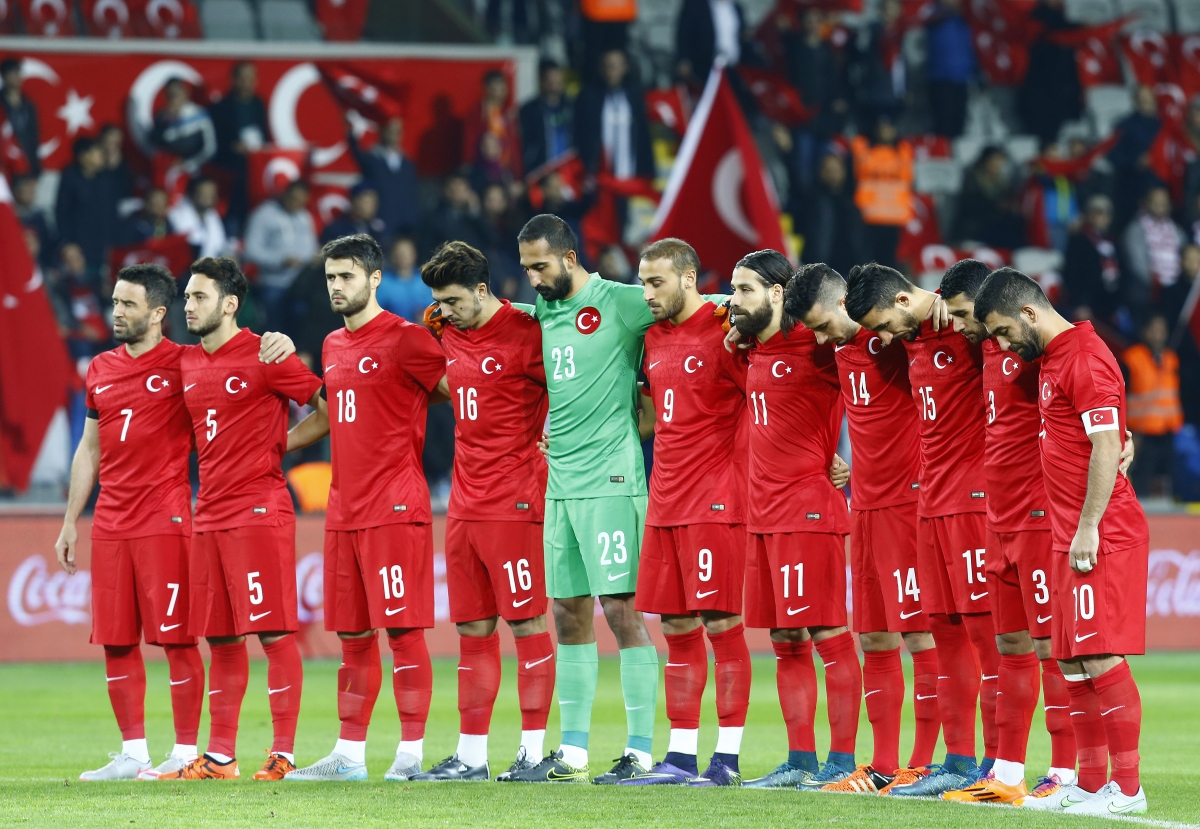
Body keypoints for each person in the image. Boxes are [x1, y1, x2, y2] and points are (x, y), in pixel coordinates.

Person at [54, 263, 295, 782]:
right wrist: (71, 519)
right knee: (116, 640)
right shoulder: (99, 369)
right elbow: (88, 449)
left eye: (127, 305)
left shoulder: (188, 362)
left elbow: (238, 361)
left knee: (178, 638)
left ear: (158, 313)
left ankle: (187, 750)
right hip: (110, 522)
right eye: (114, 302)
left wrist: (276, 340)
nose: (115, 312)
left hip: (168, 519)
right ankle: (133, 752)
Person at [973, 268, 1150, 816]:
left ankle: (1128, 789)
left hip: (1100, 531)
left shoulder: (1085, 357)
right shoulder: (1051, 358)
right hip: (1065, 531)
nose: (1001, 346)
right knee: (1070, 660)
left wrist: (1089, 525)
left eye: (1002, 331)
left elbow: (1105, 445)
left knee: (1099, 655)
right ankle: (1090, 783)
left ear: (1028, 312)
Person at [281, 235, 448, 782]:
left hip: (395, 507)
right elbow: (333, 415)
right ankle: (349, 756)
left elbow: (458, 390)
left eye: (346, 276)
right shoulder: (332, 345)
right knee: (352, 637)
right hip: (343, 510)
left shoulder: (407, 340)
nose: (336, 286)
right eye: (330, 277)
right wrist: (270, 446)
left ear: (375, 279)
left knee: (402, 633)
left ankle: (409, 754)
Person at [503, 214, 660, 783]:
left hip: (612, 481)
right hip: (559, 484)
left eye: (540, 267)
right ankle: (571, 754)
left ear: (569, 259)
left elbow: (690, 301)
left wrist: (735, 304)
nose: (533, 279)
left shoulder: (620, 302)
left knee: (620, 610)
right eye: (525, 269)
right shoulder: (538, 312)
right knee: (568, 614)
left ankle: (640, 752)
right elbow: (496, 315)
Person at [163, 257, 323, 781]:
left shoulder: (265, 353)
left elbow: (326, 408)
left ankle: (284, 753)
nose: (189, 305)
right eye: (186, 296)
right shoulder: (185, 362)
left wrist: (280, 445)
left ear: (230, 304)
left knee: (273, 634)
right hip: (206, 514)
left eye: (199, 296)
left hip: (259, 512)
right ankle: (221, 758)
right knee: (222, 638)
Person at [784, 263, 939, 794]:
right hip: (864, 505)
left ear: (845, 301)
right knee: (873, 635)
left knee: (919, 632)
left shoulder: (892, 338)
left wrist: (940, 298)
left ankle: (920, 762)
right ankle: (882, 765)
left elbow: (942, 312)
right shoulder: (840, 347)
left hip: (909, 503)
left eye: (825, 325)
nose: (822, 339)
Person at [844, 261, 999, 796]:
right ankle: (957, 763)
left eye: (884, 325)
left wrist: (1115, 425)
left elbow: (1046, 340)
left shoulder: (968, 323)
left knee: (988, 635)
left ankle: (1000, 767)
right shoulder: (909, 336)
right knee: (948, 631)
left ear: (903, 300)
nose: (883, 340)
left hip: (976, 501)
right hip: (931, 502)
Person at [410, 240, 556, 782]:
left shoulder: (527, 331)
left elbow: (575, 386)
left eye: (452, 300)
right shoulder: (446, 330)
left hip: (516, 500)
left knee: (527, 622)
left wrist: (558, 441)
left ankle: (534, 753)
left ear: (481, 289)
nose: (444, 310)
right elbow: (439, 387)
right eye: (437, 302)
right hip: (465, 504)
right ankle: (471, 757)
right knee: (472, 629)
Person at [939, 261, 1077, 804]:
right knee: (1011, 644)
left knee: (1050, 646)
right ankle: (1008, 773)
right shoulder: (996, 343)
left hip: (1039, 513)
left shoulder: (1032, 346)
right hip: (998, 515)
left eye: (967, 318)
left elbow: (1081, 383)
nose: (961, 329)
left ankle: (1065, 771)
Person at [616, 239, 752, 787]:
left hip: (716, 499)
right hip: (665, 499)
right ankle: (680, 757)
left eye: (657, 283)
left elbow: (766, 401)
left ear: (690, 278)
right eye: (643, 283)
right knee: (675, 626)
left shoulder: (727, 331)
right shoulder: (651, 339)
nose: (647, 294)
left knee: (721, 623)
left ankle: (728, 758)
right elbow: (654, 415)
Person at [724, 250, 860, 790]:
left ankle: (843, 762)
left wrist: (850, 461)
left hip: (808, 511)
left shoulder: (819, 343)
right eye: (731, 290)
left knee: (829, 634)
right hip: (761, 514)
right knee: (785, 637)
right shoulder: (748, 345)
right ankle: (799, 761)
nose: (732, 301)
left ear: (779, 294)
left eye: (743, 290)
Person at [244, 179, 319, 329]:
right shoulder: (264, 214)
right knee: (273, 330)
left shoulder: (304, 216)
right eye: (293, 199)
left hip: (301, 285)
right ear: (284, 194)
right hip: (273, 284)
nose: (296, 204)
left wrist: (315, 256)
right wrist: (280, 260)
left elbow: (310, 246)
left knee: (297, 330)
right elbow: (250, 250)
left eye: (301, 201)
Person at [1124, 314, 1183, 497]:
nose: (1159, 334)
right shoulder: (1131, 359)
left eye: (1162, 329)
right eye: (1155, 329)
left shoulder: (1171, 359)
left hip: (1169, 430)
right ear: (1145, 332)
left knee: (1175, 481)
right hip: (1142, 432)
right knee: (1141, 481)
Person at [575, 50, 655, 182]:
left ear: (625, 68)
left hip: (629, 177)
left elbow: (643, 138)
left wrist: (648, 173)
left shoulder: (635, 98)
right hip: (599, 180)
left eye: (615, 66)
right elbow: (582, 137)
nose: (610, 71)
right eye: (607, 66)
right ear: (601, 69)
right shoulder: (589, 99)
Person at [208, 62, 269, 230]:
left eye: (250, 78)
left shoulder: (258, 104)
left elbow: (265, 134)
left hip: (255, 171)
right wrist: (232, 147)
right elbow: (213, 144)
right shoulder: (220, 108)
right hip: (231, 173)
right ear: (233, 80)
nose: (246, 82)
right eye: (242, 78)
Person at [850, 119, 913, 269]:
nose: (885, 131)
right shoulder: (862, 148)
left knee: (889, 266)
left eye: (889, 127)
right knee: (867, 264)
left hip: (894, 218)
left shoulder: (904, 151)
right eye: (882, 127)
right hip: (867, 217)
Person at [1063, 195, 1129, 330]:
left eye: (1107, 213)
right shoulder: (1078, 240)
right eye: (1098, 212)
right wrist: (1079, 303)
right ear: (1089, 214)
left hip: (1111, 306)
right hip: (1089, 306)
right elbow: (1071, 274)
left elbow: (1123, 271)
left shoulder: (1114, 241)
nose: (1103, 217)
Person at [798, 152, 868, 279]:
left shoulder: (852, 203)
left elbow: (859, 240)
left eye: (836, 169)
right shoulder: (813, 200)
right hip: (821, 272)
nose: (833, 174)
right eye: (828, 170)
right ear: (820, 172)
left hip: (850, 271)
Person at [55, 136, 120, 270]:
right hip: (80, 251)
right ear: (84, 156)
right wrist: (67, 243)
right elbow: (62, 213)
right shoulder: (70, 178)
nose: (102, 156)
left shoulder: (106, 179)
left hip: (107, 247)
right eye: (97, 152)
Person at [348, 117, 419, 238]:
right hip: (381, 225)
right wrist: (352, 131)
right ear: (382, 131)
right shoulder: (371, 159)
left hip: (405, 227)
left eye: (397, 131)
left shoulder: (408, 164)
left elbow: (412, 195)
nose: (393, 135)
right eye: (389, 130)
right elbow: (356, 152)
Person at [1124, 185, 1186, 316]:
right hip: (1147, 290)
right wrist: (1157, 283)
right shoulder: (1136, 229)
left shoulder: (1178, 231)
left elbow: (1184, 257)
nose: (1160, 205)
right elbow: (1137, 262)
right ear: (1147, 202)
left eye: (1163, 202)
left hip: (1175, 290)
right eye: (1156, 201)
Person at [924, 0, 976, 139]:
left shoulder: (965, 19)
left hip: (961, 78)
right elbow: (925, 18)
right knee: (943, 122)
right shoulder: (934, 14)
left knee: (959, 120)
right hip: (940, 77)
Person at [519, 59, 575, 174]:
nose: (554, 84)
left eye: (557, 80)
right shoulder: (529, 110)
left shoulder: (572, 107)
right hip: (541, 171)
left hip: (569, 172)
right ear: (542, 81)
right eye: (550, 80)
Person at [463, 70, 522, 178]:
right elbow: (469, 142)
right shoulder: (477, 113)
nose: (500, 92)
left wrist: (518, 174)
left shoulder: (508, 114)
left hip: (506, 170)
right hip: (483, 170)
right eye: (496, 88)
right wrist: (469, 167)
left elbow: (514, 146)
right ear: (486, 89)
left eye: (503, 88)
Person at [151, 78, 216, 172]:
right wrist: (167, 122)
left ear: (186, 92)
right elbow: (155, 143)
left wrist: (187, 163)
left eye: (176, 94)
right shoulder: (162, 117)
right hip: (168, 171)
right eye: (170, 95)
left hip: (196, 169)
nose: (174, 98)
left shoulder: (199, 114)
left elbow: (210, 148)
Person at [674, 0, 746, 84]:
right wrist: (684, 59)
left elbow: (742, 36)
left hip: (734, 68)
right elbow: (684, 34)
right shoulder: (696, 5)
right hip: (705, 67)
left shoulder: (736, 7)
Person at [170, 177, 230, 259]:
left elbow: (220, 245)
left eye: (212, 194)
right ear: (193, 194)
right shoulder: (178, 214)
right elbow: (190, 245)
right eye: (205, 193)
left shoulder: (212, 215)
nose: (210, 198)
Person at [376, 236, 433, 322]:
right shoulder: (383, 283)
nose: (403, 256)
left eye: (406, 252)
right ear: (392, 255)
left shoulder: (425, 281)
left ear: (414, 255)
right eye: (399, 253)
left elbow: (436, 309)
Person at [1, 56, 40, 175]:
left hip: (26, 163)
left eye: (17, 73)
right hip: (4, 163)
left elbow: (34, 136)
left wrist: (35, 166)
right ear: (3, 76)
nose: (16, 77)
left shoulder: (28, 105)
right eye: (11, 74)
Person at [319, 183, 386, 245]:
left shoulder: (377, 229)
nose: (371, 206)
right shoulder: (337, 229)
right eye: (366, 202)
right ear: (354, 201)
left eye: (374, 202)